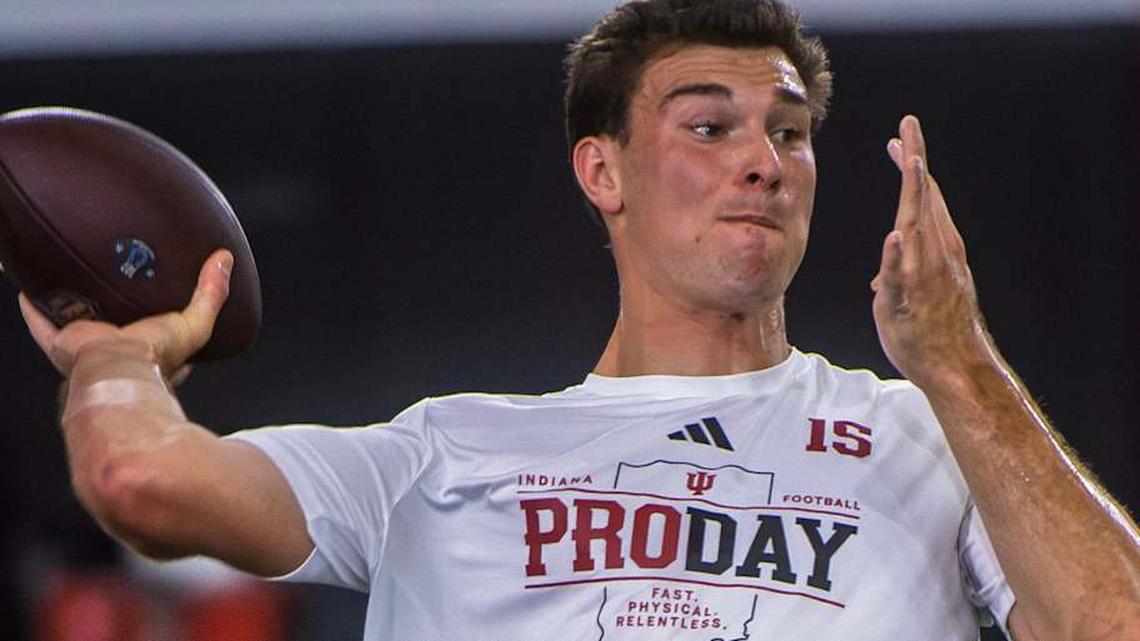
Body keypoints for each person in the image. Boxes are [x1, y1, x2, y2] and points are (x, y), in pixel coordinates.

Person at [17, 0, 1139, 639]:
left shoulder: (924, 437)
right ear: (601, 169)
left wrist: (960, 365)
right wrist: (115, 350)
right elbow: (142, 483)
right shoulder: (438, 454)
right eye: (709, 127)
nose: (761, 159)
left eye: (788, 133)